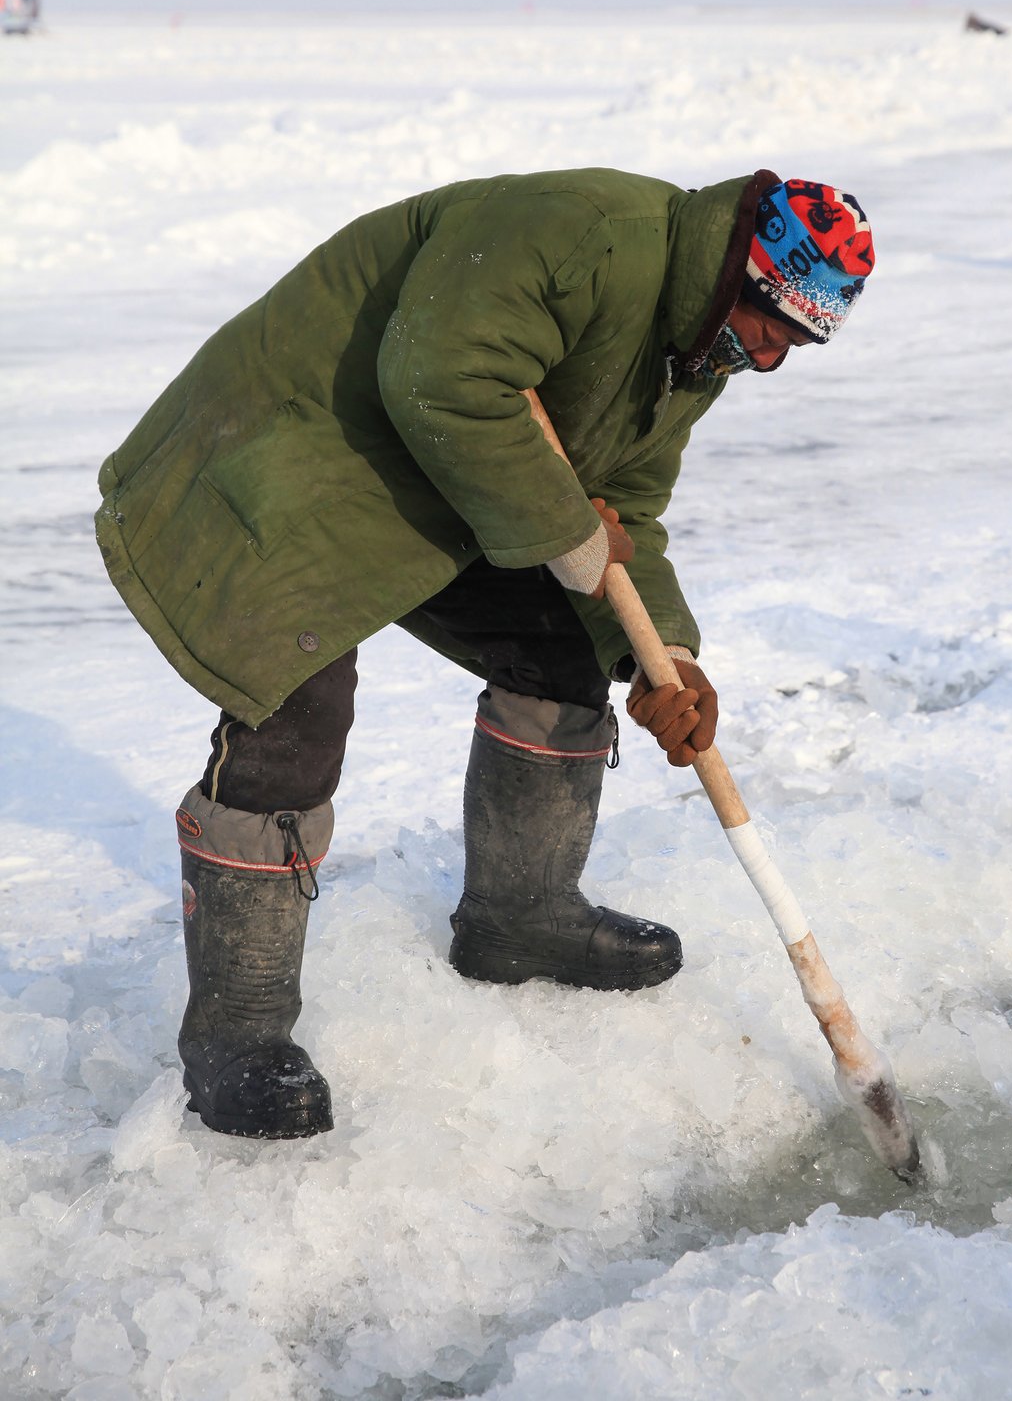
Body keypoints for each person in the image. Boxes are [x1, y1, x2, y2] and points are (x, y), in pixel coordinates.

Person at [95, 167, 874, 1141]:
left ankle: (520, 917)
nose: (773, 358)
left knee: (563, 652)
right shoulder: (578, 234)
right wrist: (568, 530)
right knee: (296, 707)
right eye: (775, 326)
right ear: (743, 275)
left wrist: (666, 656)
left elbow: (621, 510)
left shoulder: (695, 350)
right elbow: (438, 375)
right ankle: (236, 1034)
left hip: (441, 489)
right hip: (294, 452)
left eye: (799, 342)